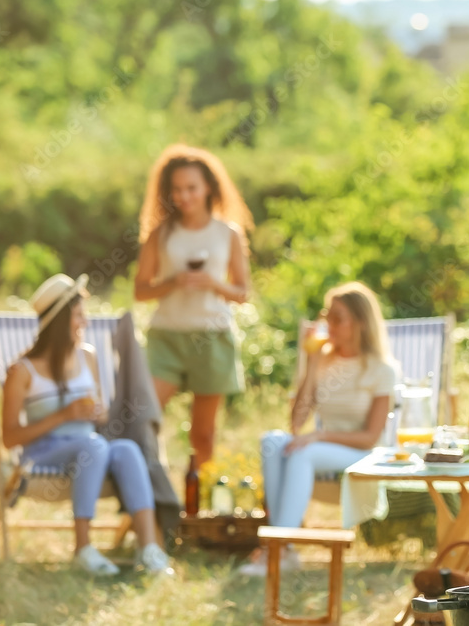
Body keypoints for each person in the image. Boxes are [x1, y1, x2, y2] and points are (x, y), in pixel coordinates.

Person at [2, 273, 173, 576]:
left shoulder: (87, 357)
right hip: (42, 455)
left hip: (89, 449)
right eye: (79, 315)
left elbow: (101, 415)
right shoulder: (22, 371)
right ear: (58, 322)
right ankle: (83, 548)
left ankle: (149, 548)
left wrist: (96, 413)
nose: (85, 322)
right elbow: (9, 437)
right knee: (93, 446)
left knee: (127, 449)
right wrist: (62, 416)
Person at [238, 282, 397, 576]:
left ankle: (279, 549)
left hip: (363, 454)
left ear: (360, 323)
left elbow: (370, 438)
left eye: (338, 318)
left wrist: (319, 435)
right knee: (273, 442)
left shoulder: (381, 370)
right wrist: (311, 362)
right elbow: (297, 422)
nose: (328, 324)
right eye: (326, 316)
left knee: (303, 453)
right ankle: (283, 546)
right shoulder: (323, 361)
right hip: (324, 449)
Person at [133, 144, 253, 466]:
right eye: (176, 189)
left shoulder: (228, 233)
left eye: (191, 188)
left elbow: (243, 293)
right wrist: (173, 283)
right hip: (166, 337)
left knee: (203, 435)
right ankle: (148, 500)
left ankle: (196, 509)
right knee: (143, 421)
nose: (184, 196)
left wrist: (214, 284)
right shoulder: (160, 234)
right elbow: (140, 291)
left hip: (212, 338)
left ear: (209, 188)